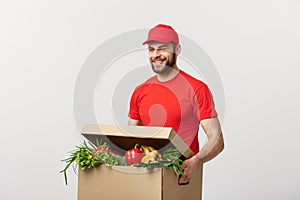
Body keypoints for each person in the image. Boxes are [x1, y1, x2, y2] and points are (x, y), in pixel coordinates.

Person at [128, 24, 224, 183]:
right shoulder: (140, 91)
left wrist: (196, 161)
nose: (156, 55)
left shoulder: (197, 89)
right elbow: (131, 138)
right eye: (151, 49)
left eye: (162, 49)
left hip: (179, 176)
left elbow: (217, 140)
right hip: (145, 179)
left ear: (177, 49)